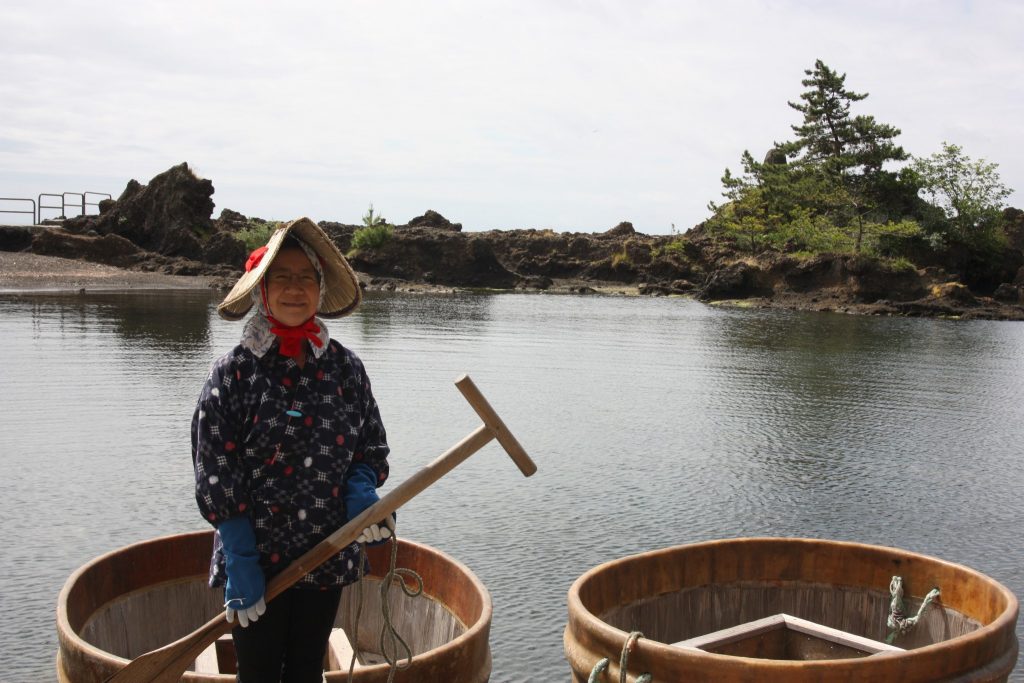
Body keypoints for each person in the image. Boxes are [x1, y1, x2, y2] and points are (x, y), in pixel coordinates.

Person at [192, 217, 395, 682]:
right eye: (280, 276)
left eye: (306, 277)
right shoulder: (233, 373)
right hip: (256, 558)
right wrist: (240, 558)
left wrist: (363, 495)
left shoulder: (346, 369)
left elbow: (370, 445)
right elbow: (215, 468)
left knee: (306, 668)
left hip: (326, 550)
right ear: (262, 291)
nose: (294, 288)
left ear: (320, 289)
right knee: (259, 672)